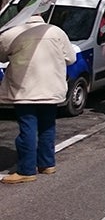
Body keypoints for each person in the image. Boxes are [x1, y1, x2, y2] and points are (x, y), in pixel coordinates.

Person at [0, 12, 75, 184]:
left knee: (27, 128)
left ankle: (26, 169)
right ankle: (47, 163)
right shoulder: (56, 31)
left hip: (25, 89)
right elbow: (71, 58)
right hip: (51, 88)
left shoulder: (12, 33)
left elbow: (2, 56)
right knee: (47, 127)